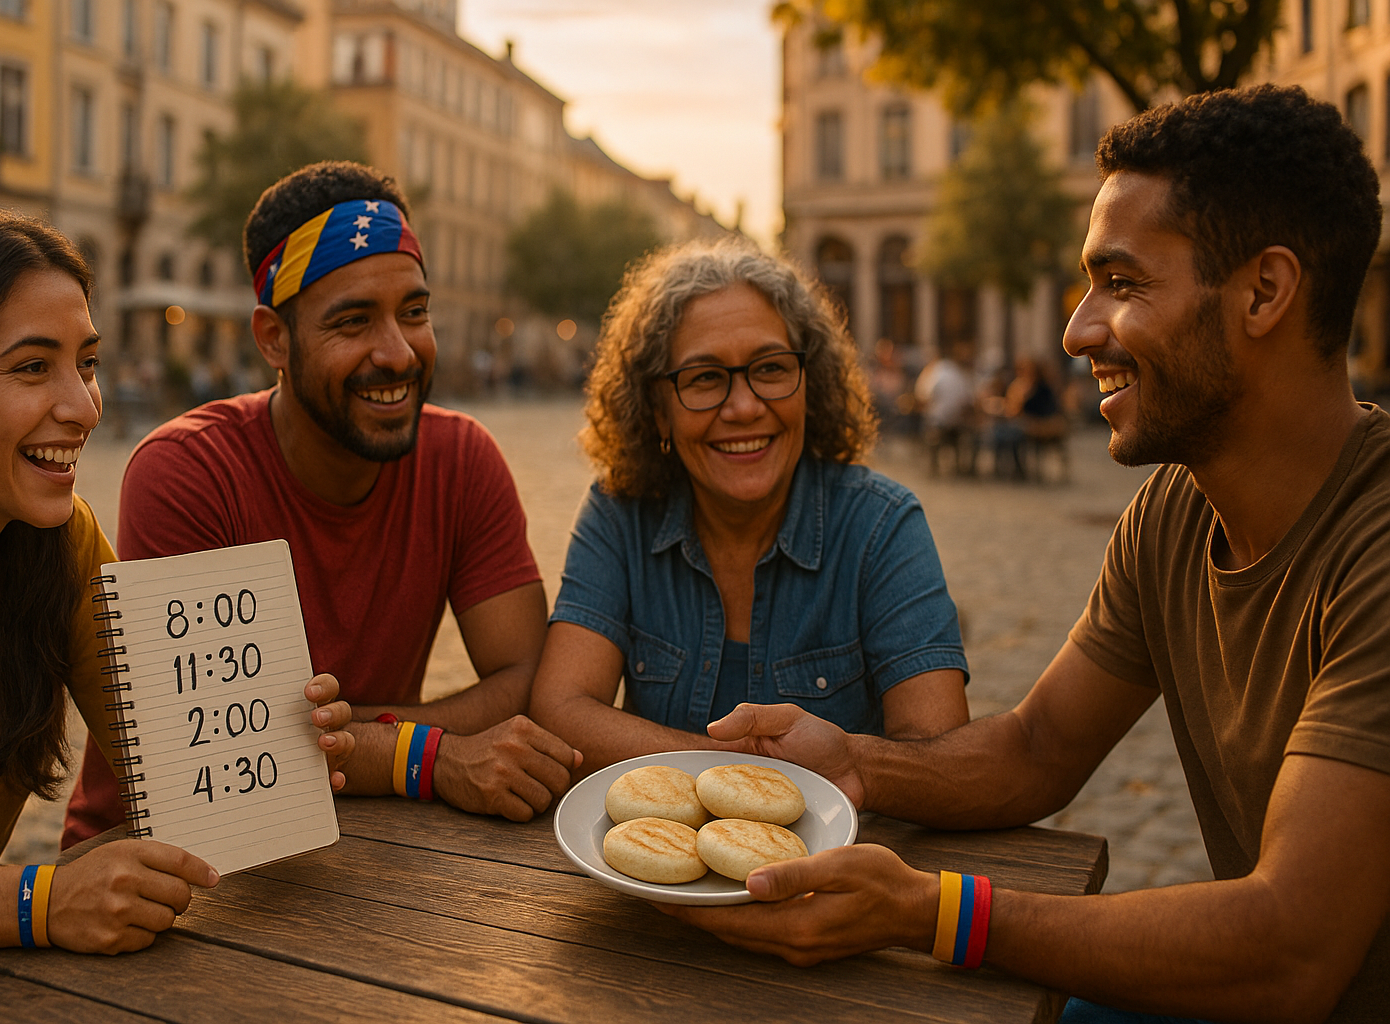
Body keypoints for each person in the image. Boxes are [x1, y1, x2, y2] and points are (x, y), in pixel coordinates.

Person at [658, 85, 1390, 1024]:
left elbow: (1290, 951)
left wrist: (933, 912)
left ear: (1264, 291)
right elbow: (1038, 748)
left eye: (1121, 284)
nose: (1078, 329)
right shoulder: (1173, 511)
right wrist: (854, 765)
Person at [0, 205, 354, 954]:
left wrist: (270, 754)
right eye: (32, 367)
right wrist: (40, 903)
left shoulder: (62, 542)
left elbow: (183, 770)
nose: (84, 406)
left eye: (86, 363)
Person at [62, 162, 579, 842]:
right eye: (353, 322)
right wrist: (423, 756)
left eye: (414, 313)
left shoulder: (462, 458)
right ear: (273, 338)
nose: (397, 353)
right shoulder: (188, 471)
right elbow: (221, 761)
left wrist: (345, 740)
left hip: (358, 850)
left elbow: (525, 681)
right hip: (149, 869)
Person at [528, 239, 969, 772]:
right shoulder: (619, 513)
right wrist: (738, 770)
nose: (743, 407)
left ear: (811, 382)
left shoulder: (882, 525)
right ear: (658, 411)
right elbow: (561, 709)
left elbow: (937, 752)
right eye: (704, 378)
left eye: (771, 368)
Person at [913, 339, 979, 475]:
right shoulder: (959, 373)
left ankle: (934, 466)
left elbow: (925, 396)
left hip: (939, 421)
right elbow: (967, 400)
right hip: (957, 421)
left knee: (928, 427)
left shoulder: (936, 372)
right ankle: (961, 467)